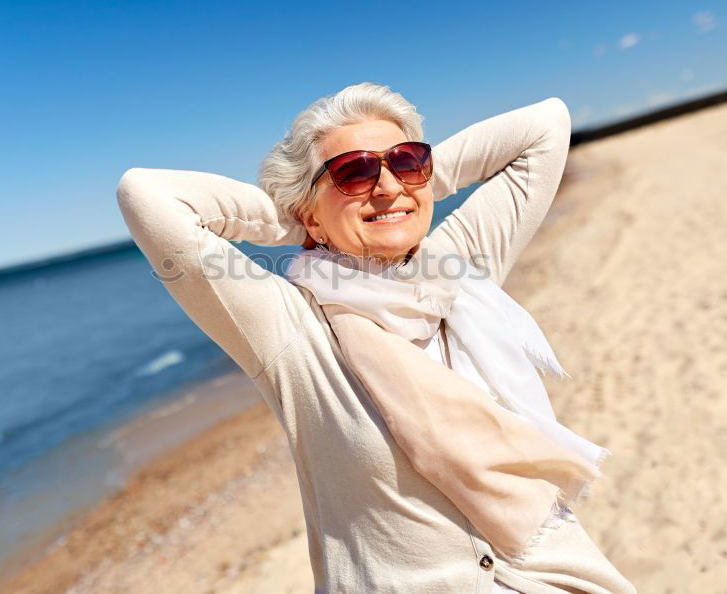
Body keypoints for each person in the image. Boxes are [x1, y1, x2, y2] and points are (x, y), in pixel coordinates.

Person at [116, 83, 636, 593]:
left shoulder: (457, 271)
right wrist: (295, 219)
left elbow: (545, 126)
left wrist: (417, 185)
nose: (386, 185)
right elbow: (148, 196)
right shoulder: (289, 329)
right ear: (309, 211)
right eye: (353, 172)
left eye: (406, 160)